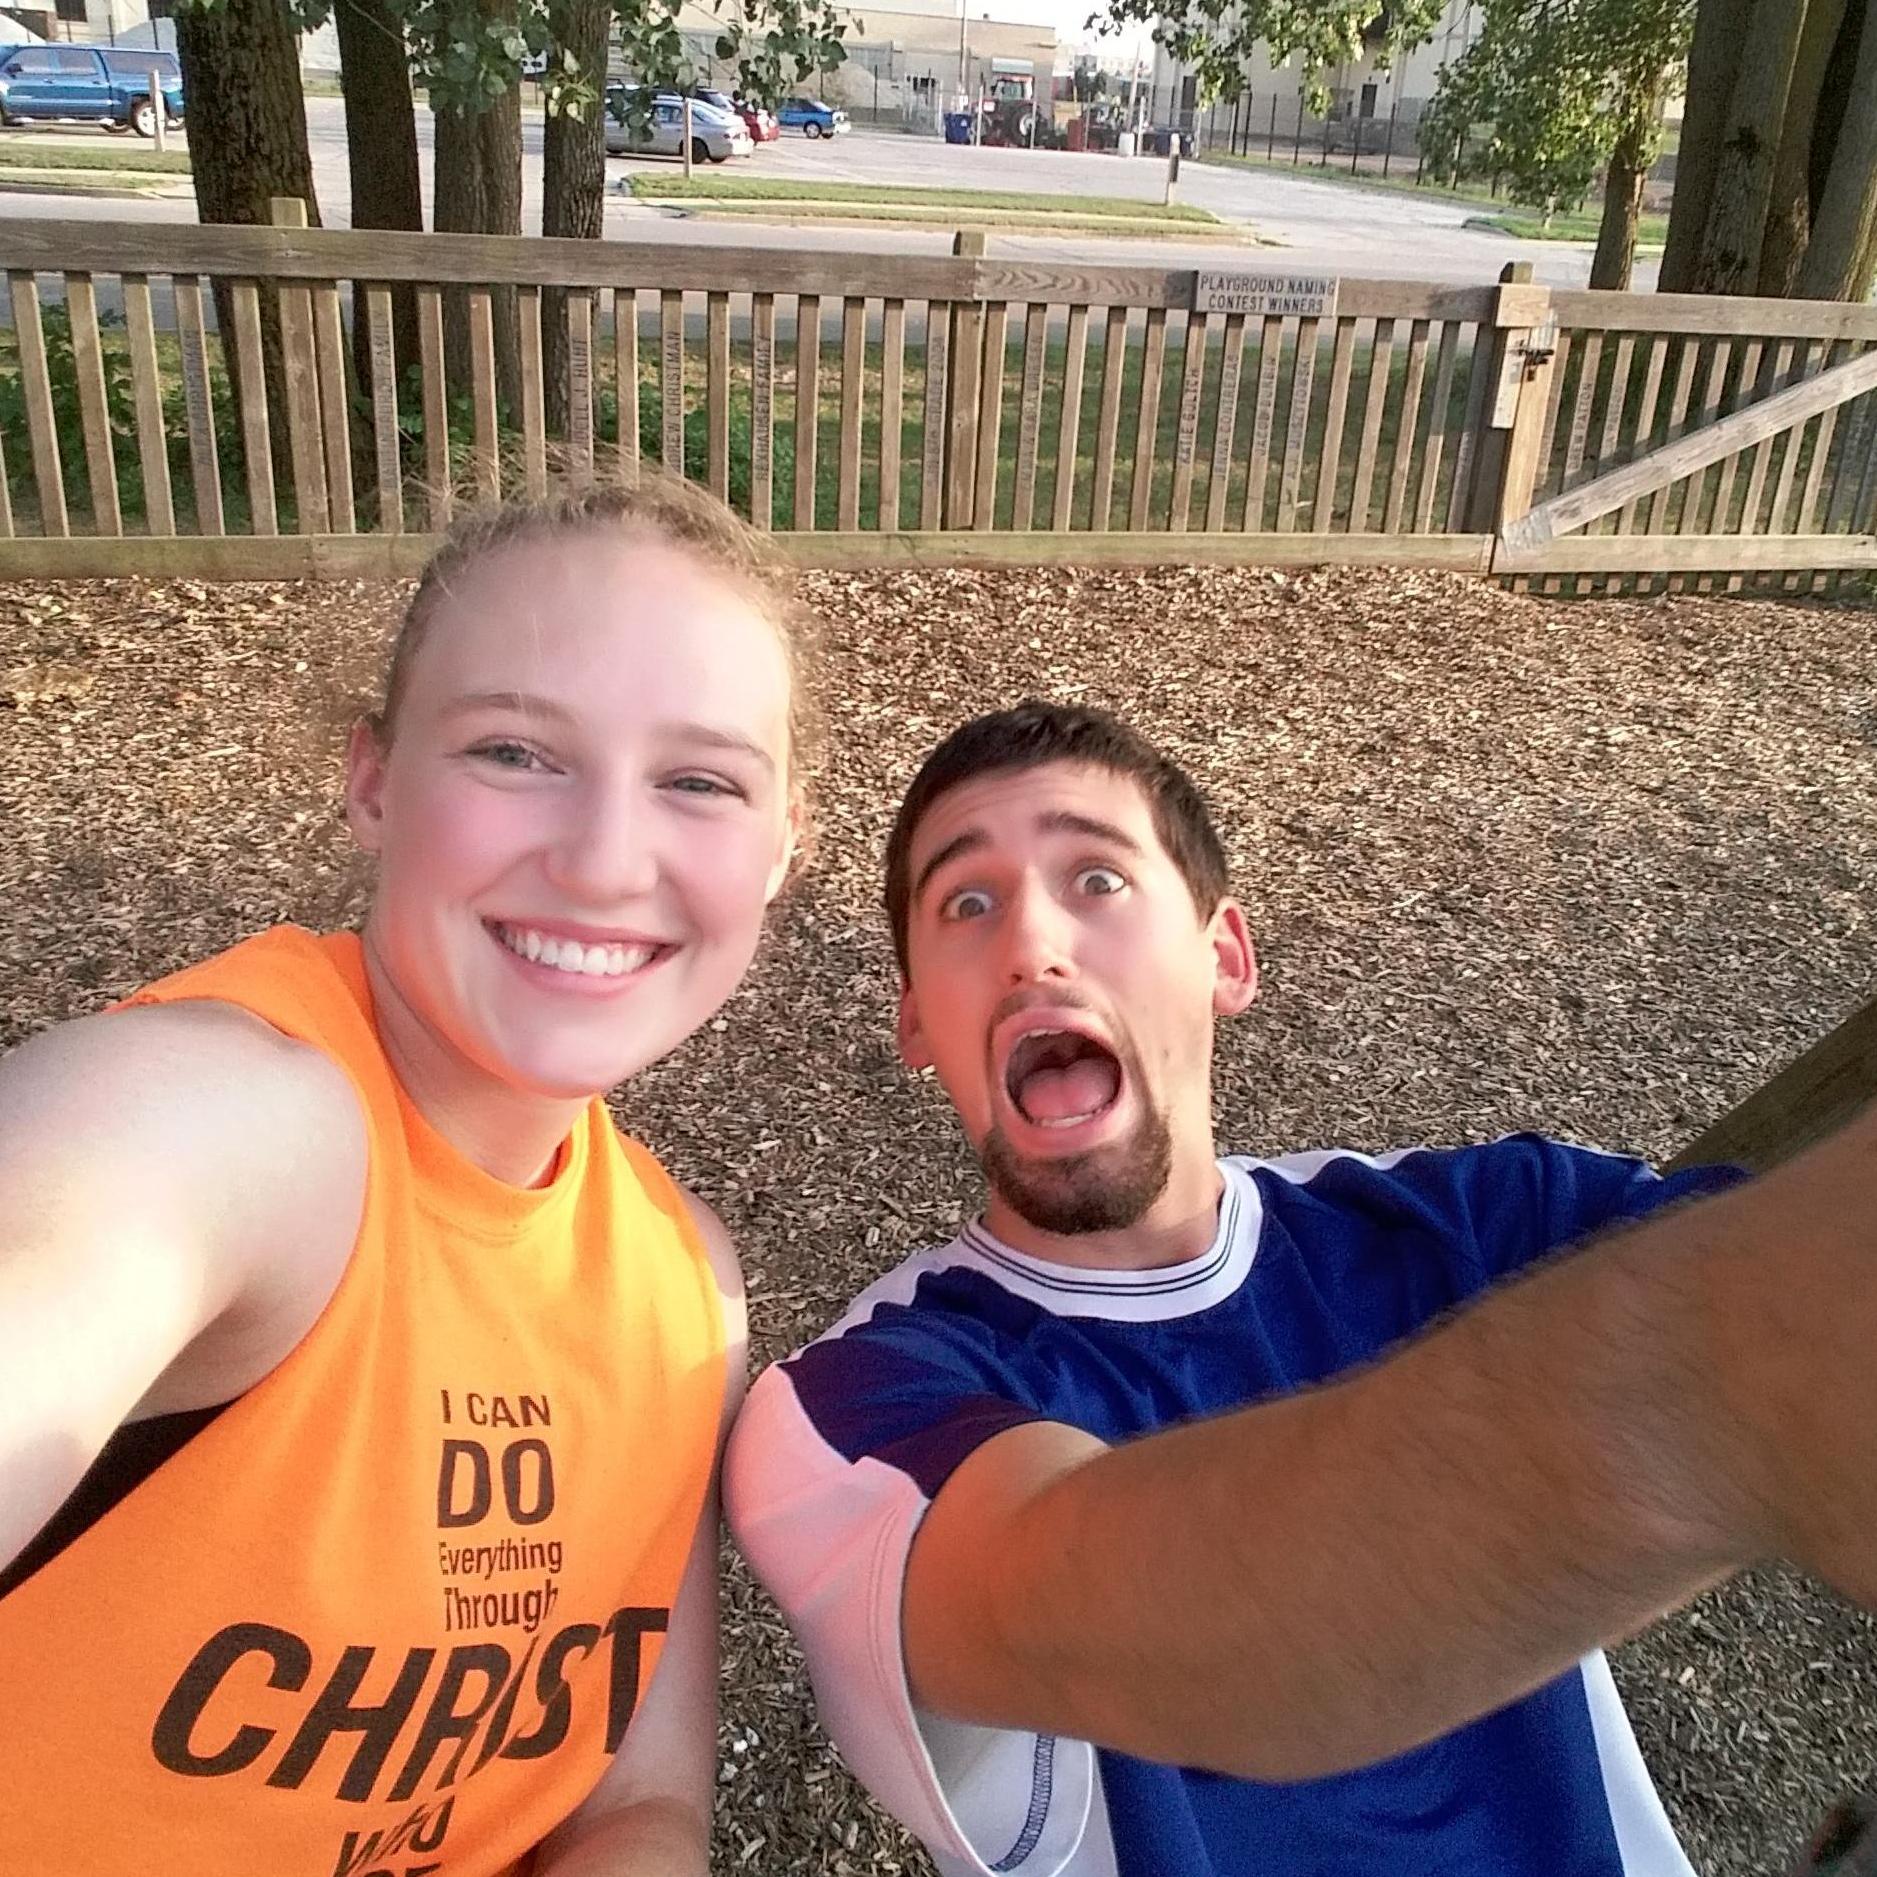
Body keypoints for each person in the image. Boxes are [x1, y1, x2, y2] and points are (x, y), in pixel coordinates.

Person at [725, 699, 1877, 1877]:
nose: (1030, 941)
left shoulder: (1485, 1229)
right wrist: (1732, 1383)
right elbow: (1163, 1636)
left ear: (1222, 955)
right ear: (918, 1017)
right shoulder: (845, 1410)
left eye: (1097, 879)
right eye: (965, 903)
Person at [0, 480, 808, 1874]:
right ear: (374, 782)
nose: (607, 859)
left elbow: (635, 1804)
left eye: (698, 780)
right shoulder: (230, 1127)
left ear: (784, 845)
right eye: (514, 750)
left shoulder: (688, 1289)